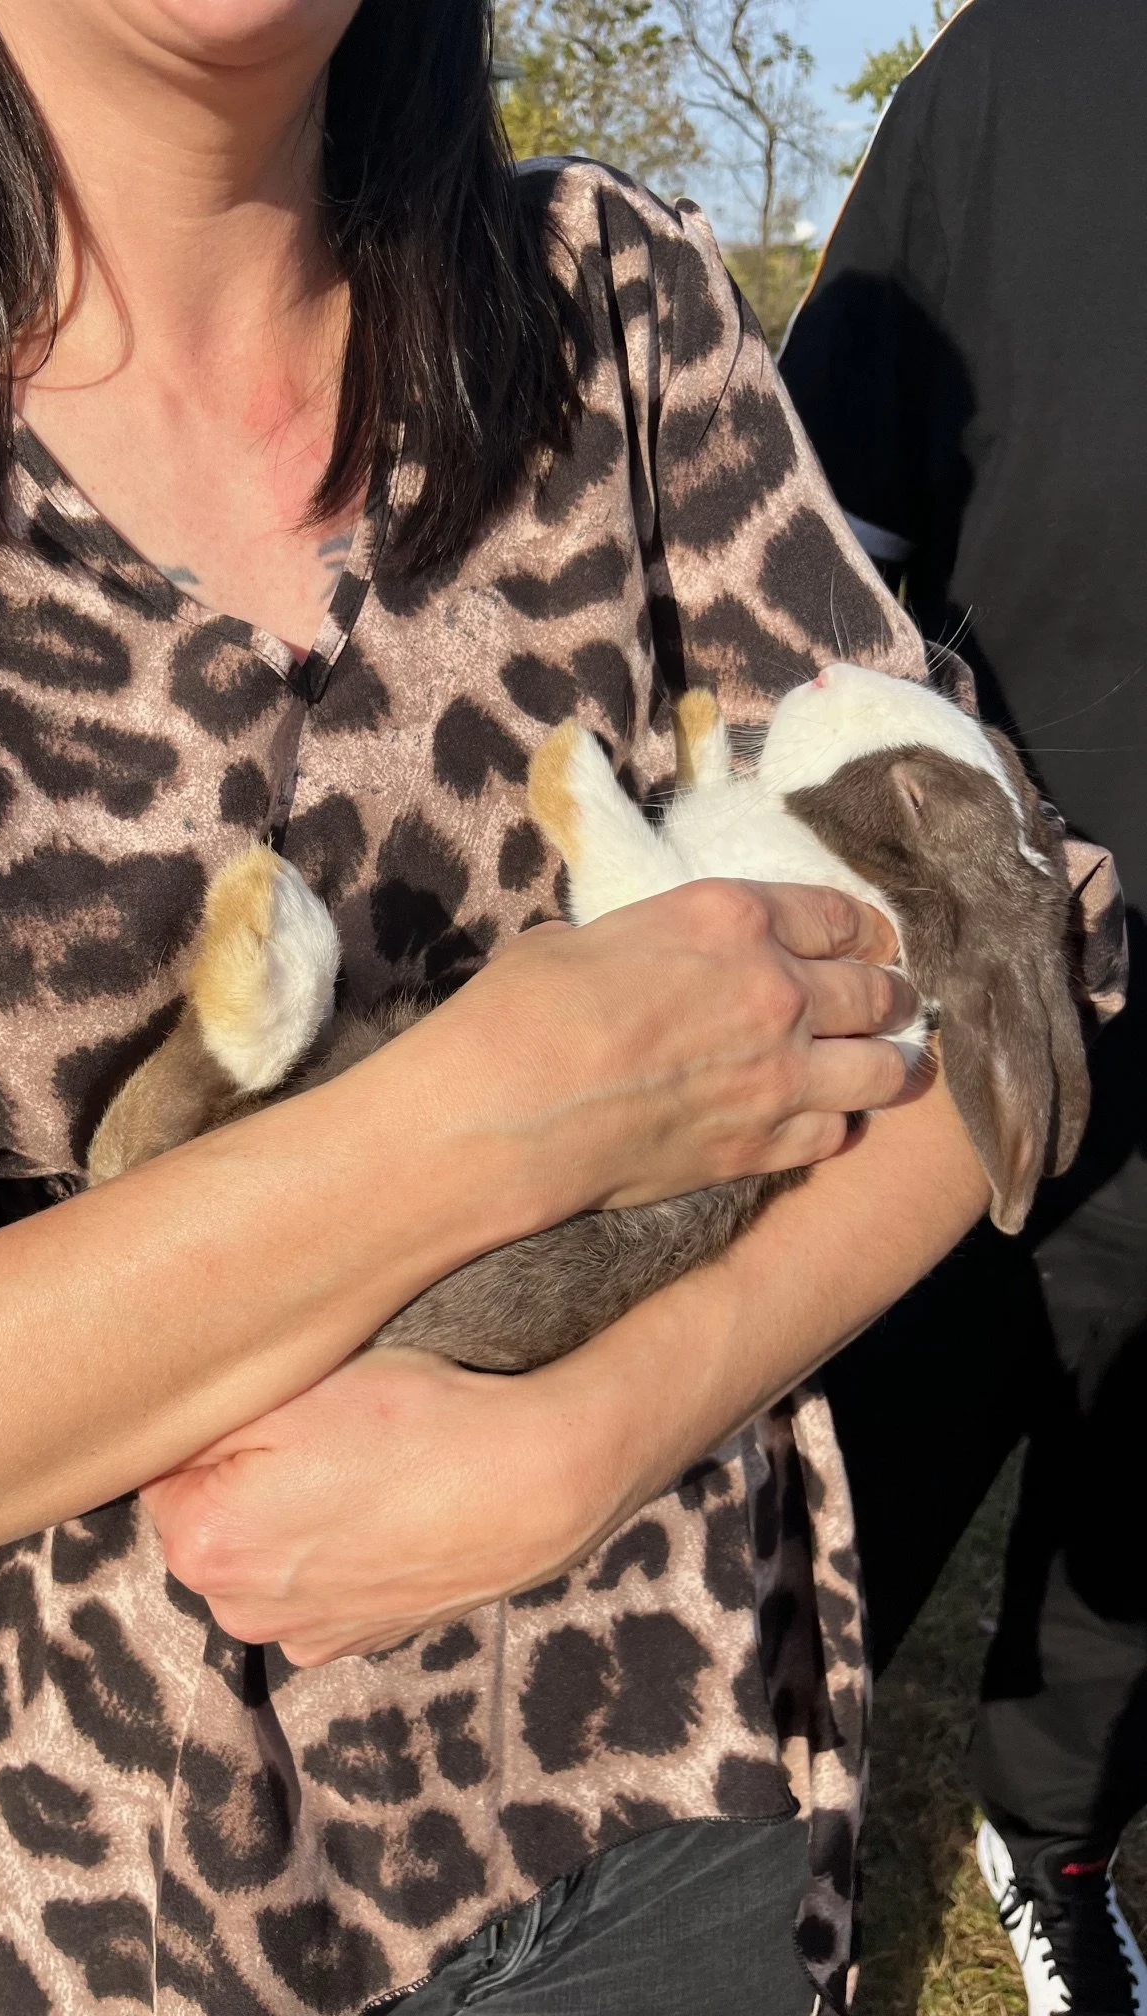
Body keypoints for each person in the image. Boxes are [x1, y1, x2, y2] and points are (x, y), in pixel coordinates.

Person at [0, 4, 1117, 2013]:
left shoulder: (615, 302)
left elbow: (1021, 948)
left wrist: (595, 1435)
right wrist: (471, 1125)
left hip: (669, 1806)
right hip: (91, 1902)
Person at [780, 1, 1147, 2009]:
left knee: (1135, 1530)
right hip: (968, 1002)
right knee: (831, 1490)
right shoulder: (1023, 73)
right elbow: (820, 554)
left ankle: (1057, 1839)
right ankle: (733, 1874)